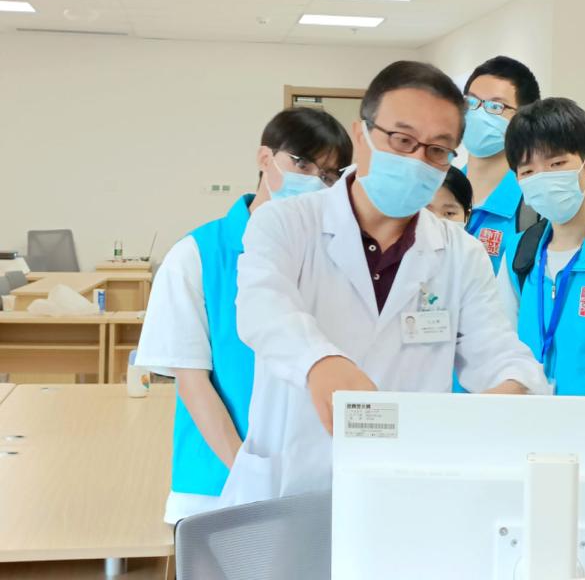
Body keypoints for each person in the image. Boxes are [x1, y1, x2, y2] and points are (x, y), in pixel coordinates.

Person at [220, 60, 549, 506]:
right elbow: (263, 308)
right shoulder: (286, 223)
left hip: (403, 489)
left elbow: (497, 350)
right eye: (402, 139)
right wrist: (319, 362)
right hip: (289, 483)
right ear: (361, 134)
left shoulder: (460, 253)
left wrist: (514, 387)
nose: (417, 160)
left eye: (437, 150)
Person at [135, 107, 352, 523]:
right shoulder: (197, 255)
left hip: (316, 485)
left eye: (329, 175)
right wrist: (248, 478)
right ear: (265, 158)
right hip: (218, 486)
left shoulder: (335, 257)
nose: (315, 181)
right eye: (303, 164)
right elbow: (192, 382)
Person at [497, 98, 585, 395]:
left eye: (556, 164)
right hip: (528, 417)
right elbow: (501, 345)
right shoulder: (519, 252)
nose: (543, 179)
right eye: (528, 172)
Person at [462, 56, 541, 273]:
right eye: (471, 102)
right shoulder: (438, 192)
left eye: (495, 106)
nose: (478, 113)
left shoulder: (534, 204)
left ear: (523, 119)